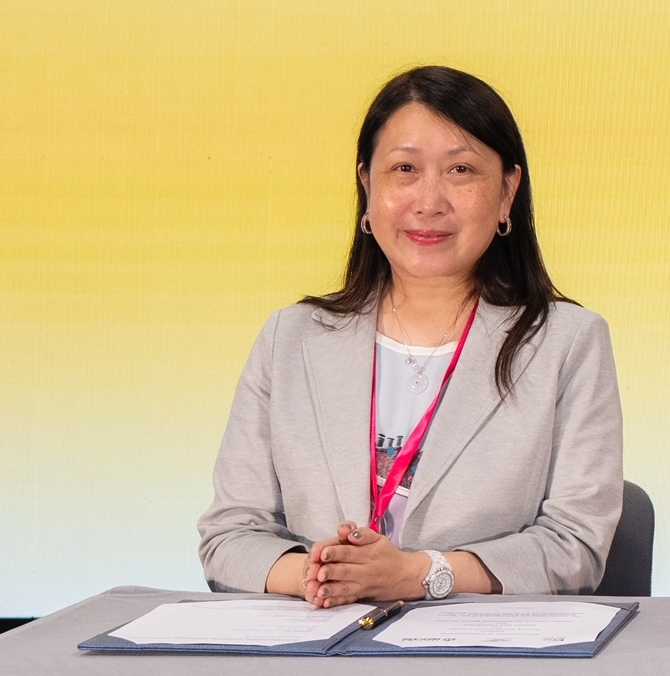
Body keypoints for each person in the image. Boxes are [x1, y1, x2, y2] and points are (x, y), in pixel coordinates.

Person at [198, 66, 623, 602]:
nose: (429, 201)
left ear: (507, 193)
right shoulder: (292, 338)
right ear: (367, 186)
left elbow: (575, 546)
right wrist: (327, 577)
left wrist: (417, 575)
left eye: (461, 170)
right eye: (404, 168)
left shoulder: (567, 343)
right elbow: (229, 535)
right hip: (314, 654)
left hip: (481, 661)